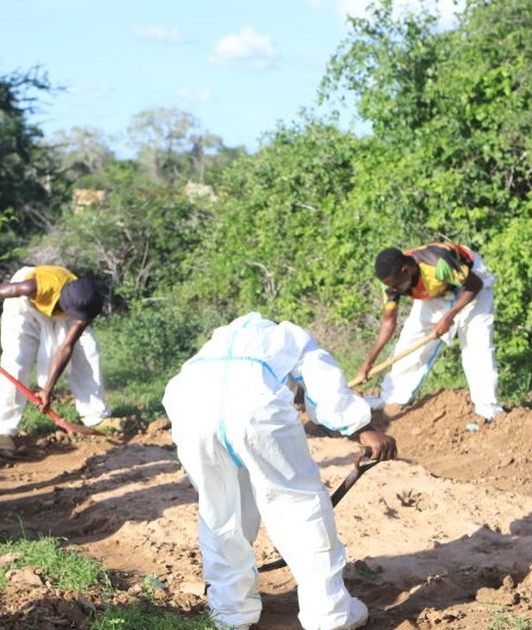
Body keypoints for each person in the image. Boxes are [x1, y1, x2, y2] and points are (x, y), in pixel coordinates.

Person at [162, 312, 397, 630]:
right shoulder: (291, 337)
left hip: (190, 410)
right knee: (298, 505)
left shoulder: (215, 345)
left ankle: (231, 614)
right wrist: (363, 428)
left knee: (220, 511)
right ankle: (329, 615)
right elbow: (324, 391)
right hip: (256, 410)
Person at [0, 266, 108, 449]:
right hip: (24, 307)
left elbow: (66, 346)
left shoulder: (85, 301)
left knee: (87, 349)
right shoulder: (33, 287)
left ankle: (96, 415)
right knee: (16, 360)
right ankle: (2, 429)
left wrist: (47, 390)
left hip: (63, 307)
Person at [355, 242, 504, 424]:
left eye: (396, 285)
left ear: (406, 270)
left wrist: (449, 317)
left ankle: (489, 410)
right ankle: (393, 399)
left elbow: (475, 284)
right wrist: (369, 362)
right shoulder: (391, 283)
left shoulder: (437, 263)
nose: (394, 290)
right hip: (437, 291)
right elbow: (388, 322)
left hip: (471, 284)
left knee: (476, 346)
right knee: (409, 343)